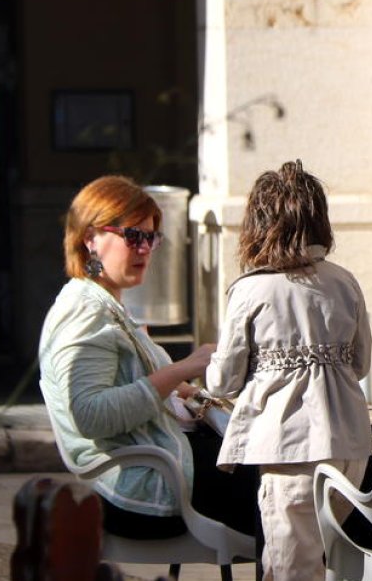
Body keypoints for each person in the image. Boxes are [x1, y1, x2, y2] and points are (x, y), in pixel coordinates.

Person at [38, 175, 259, 541]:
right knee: (291, 489)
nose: (144, 249)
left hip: (163, 465)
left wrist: (187, 390)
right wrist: (185, 367)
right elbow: (91, 415)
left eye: (151, 237)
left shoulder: (102, 303)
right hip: (144, 487)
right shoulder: (86, 313)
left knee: (294, 476)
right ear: (90, 239)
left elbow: (136, 384)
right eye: (133, 236)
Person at [205, 160, 372, 581]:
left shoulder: (251, 289)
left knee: (290, 568)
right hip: (350, 446)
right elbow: (360, 363)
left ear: (258, 226)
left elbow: (223, 381)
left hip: (288, 448)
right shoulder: (344, 281)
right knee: (318, 560)